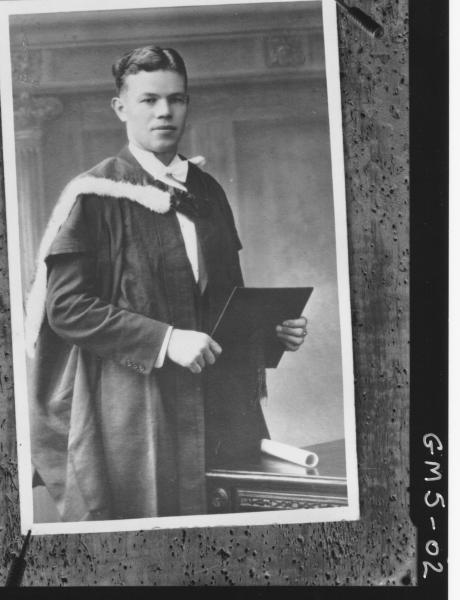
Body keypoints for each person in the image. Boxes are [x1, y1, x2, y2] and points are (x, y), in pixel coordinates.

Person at [26, 45, 308, 521]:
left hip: (216, 401)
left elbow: (223, 303)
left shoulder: (205, 189)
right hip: (135, 406)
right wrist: (166, 340)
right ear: (120, 108)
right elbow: (67, 309)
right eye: (149, 100)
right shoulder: (95, 195)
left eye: (176, 99)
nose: (164, 112)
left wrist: (269, 333)